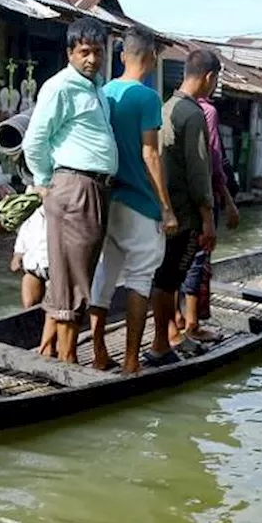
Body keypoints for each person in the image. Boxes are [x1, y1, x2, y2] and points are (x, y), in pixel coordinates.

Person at [22, 17, 119, 363]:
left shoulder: (95, 88)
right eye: (84, 52)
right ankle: (67, 362)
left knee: (80, 275)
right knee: (71, 280)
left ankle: (61, 356)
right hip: (73, 187)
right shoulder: (61, 86)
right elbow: (34, 140)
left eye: (97, 52)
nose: (91, 59)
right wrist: (44, 182)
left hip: (94, 188)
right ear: (70, 53)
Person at [86, 27, 175, 374]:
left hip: (107, 200)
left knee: (103, 279)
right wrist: (165, 206)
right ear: (152, 58)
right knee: (139, 280)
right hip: (140, 202)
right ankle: (132, 361)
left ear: (122, 56)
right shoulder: (148, 98)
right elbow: (150, 152)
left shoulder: (104, 92)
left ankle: (97, 354)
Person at [149, 46, 219, 365]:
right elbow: (199, 171)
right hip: (184, 214)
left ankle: (170, 333)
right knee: (169, 280)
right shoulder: (193, 114)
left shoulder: (166, 108)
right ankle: (162, 342)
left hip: (163, 210)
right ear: (209, 78)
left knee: (162, 278)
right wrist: (208, 218)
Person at [173, 68, 242, 347]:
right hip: (201, 197)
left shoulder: (172, 106)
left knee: (175, 260)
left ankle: (176, 319)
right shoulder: (206, 112)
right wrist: (227, 198)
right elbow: (211, 160)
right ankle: (192, 323)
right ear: (210, 77)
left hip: (176, 198)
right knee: (198, 259)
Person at [10, 199, 56, 357]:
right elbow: (24, 231)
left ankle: (48, 347)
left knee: (56, 308)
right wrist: (17, 254)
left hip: (56, 265)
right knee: (30, 306)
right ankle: (35, 342)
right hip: (33, 264)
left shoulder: (64, 202)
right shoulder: (31, 206)